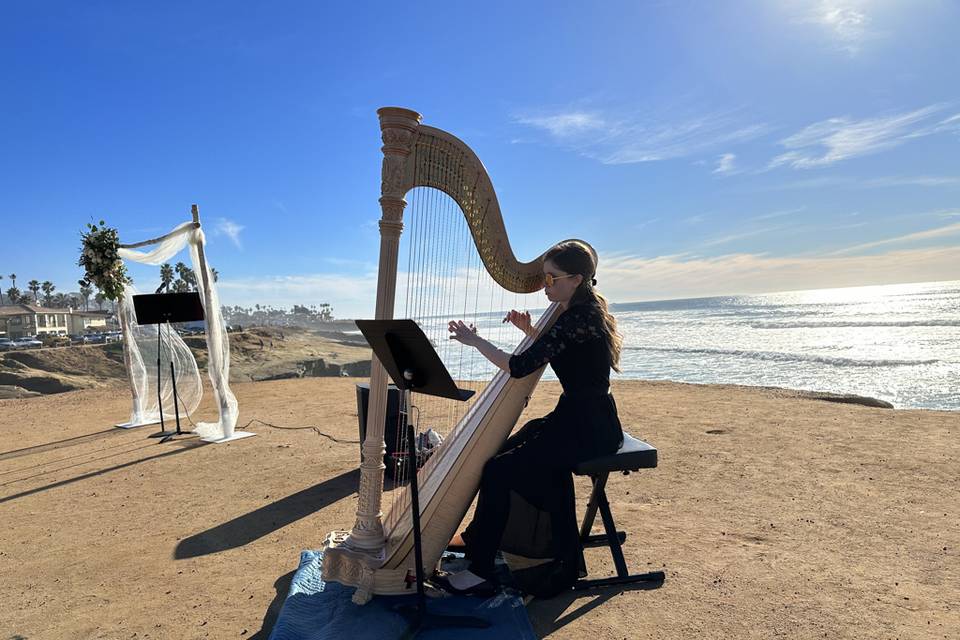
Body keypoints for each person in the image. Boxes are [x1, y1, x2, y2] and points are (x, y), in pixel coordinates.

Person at [443, 240, 624, 597]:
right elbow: (566, 351)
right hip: (580, 417)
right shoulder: (577, 312)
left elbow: (520, 366)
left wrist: (475, 340)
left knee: (499, 469)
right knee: (504, 452)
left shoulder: (578, 316)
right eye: (544, 278)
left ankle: (481, 570)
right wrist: (531, 333)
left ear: (576, 278)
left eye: (552, 279)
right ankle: (483, 537)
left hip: (588, 428)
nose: (546, 286)